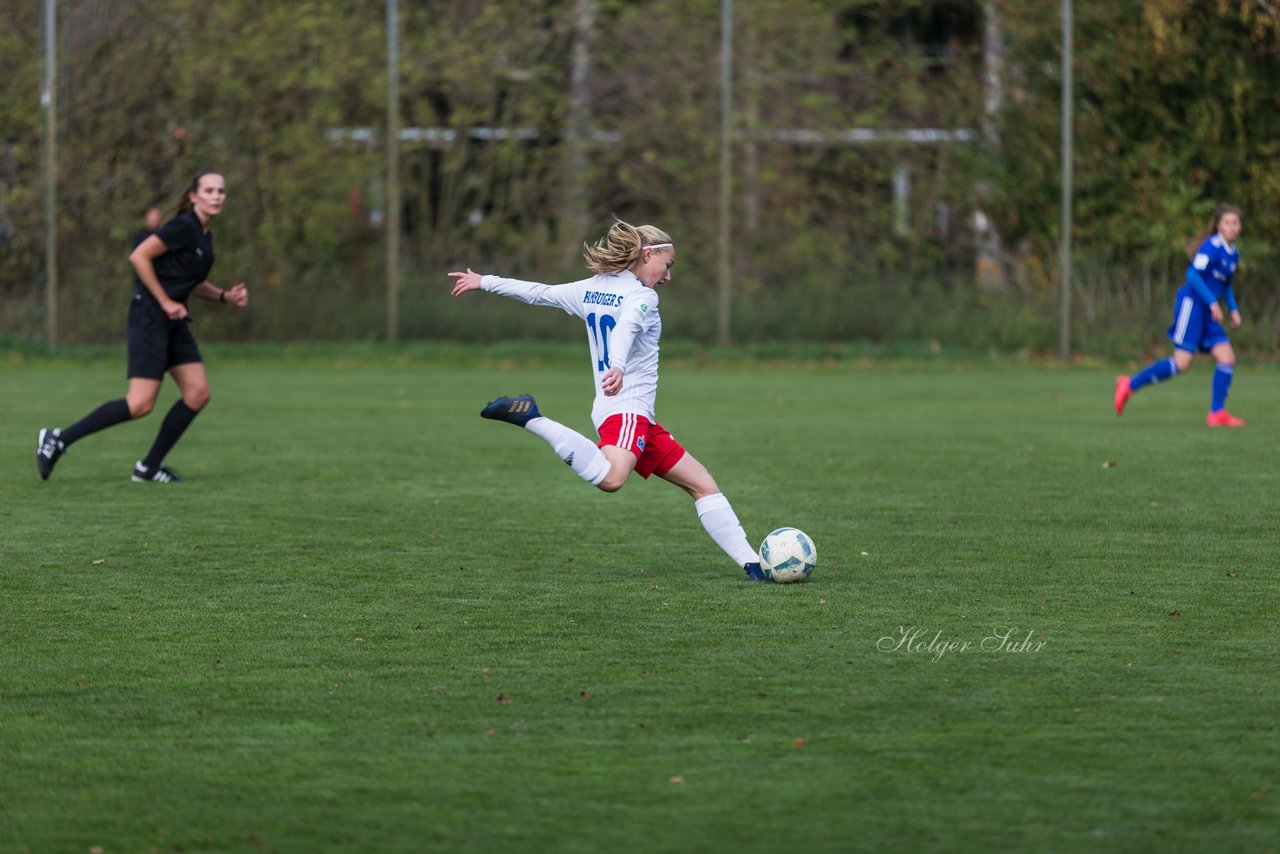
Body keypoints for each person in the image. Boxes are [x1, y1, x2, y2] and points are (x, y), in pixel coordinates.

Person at [448, 219, 768, 581]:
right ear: (648, 254)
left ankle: (755, 566)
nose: (668, 276)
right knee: (612, 478)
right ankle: (531, 417)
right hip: (627, 409)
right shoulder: (642, 296)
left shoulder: (592, 288)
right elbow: (627, 326)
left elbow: (540, 292)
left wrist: (485, 282)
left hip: (623, 413)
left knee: (702, 483)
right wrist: (617, 365)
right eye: (668, 264)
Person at [36, 170, 249, 482]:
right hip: (150, 316)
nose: (216, 196)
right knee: (139, 404)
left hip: (174, 320)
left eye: (221, 191)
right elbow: (139, 256)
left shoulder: (204, 234)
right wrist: (165, 302)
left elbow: (190, 281)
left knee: (198, 393)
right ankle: (57, 439)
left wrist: (223, 296)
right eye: (209, 190)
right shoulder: (182, 226)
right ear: (193, 196)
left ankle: (148, 468)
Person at [1115, 203, 1245, 426]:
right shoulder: (1211, 247)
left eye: (1236, 223)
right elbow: (1193, 275)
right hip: (1192, 306)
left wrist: (1233, 308)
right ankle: (1129, 385)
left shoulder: (1233, 254)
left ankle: (1217, 413)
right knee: (1182, 363)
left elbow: (1225, 284)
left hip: (1209, 312)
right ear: (1218, 226)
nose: (1232, 227)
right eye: (1227, 223)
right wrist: (1213, 302)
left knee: (1227, 358)